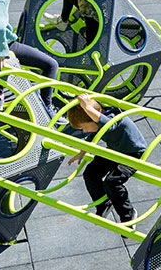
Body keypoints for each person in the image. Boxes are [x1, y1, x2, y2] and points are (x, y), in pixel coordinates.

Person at [63, 94, 149, 223]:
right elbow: (93, 134)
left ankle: (127, 213)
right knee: (90, 173)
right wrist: (82, 151)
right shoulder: (96, 123)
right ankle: (104, 204)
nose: (85, 131)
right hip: (114, 151)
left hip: (133, 153)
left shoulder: (114, 118)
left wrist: (87, 107)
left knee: (112, 182)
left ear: (95, 116)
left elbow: (107, 125)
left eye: (84, 127)